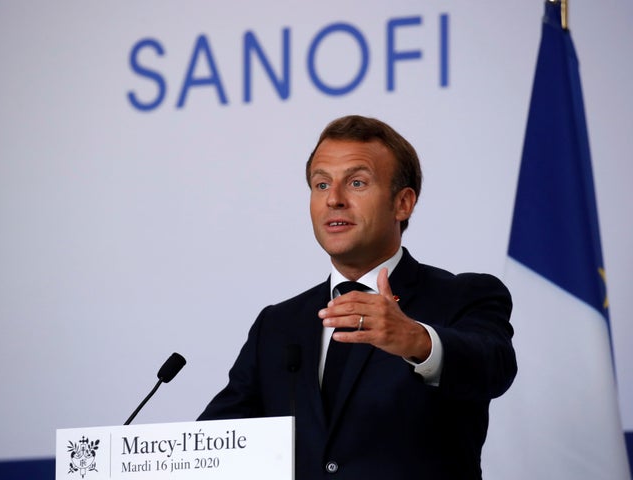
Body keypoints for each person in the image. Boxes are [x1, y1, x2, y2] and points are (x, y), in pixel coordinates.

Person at [198, 115, 517, 479]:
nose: (334, 199)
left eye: (357, 182)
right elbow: (216, 442)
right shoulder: (278, 324)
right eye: (320, 184)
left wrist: (416, 339)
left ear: (403, 204)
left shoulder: (463, 295)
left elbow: (495, 368)